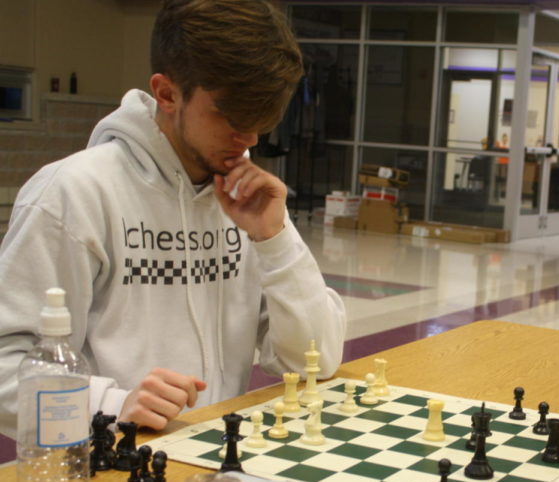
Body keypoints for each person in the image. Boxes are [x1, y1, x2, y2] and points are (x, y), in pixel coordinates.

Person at [0, 0, 347, 438]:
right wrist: (109, 405)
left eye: (263, 122)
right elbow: (6, 369)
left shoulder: (247, 201)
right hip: (112, 469)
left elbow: (316, 360)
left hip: (217, 462)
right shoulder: (73, 194)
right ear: (167, 94)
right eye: (231, 117)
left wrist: (275, 241)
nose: (250, 140)